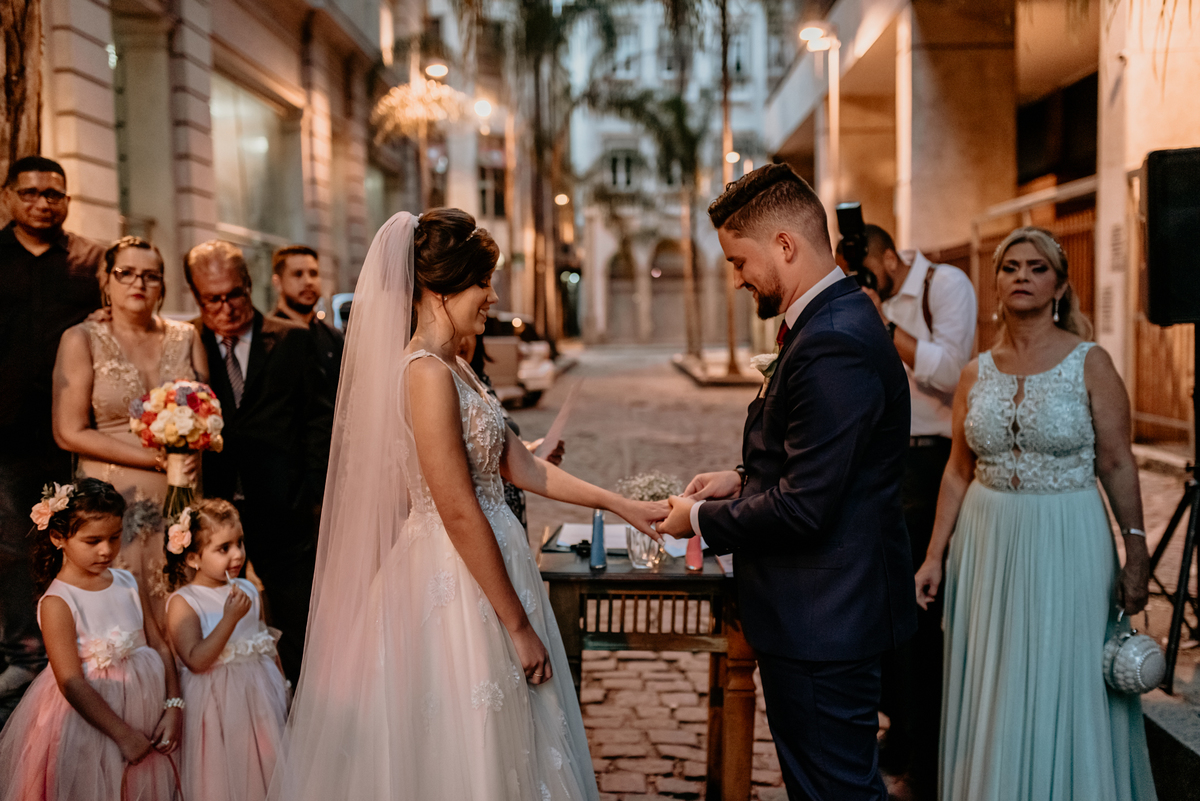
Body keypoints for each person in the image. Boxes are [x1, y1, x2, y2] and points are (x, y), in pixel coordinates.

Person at [268, 209, 666, 801]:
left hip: (495, 558)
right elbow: (455, 507)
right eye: (483, 282)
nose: (492, 295)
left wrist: (623, 506)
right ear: (439, 288)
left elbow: (522, 468)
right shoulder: (425, 373)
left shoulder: (456, 366)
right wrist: (519, 625)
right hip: (456, 578)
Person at [657, 164, 917, 801]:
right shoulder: (830, 320)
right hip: (823, 612)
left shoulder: (832, 340)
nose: (737, 277)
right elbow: (822, 462)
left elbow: (805, 508)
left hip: (825, 617)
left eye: (739, 259)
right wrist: (739, 478)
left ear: (784, 245)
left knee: (836, 790)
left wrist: (694, 521)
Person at [913, 227, 1156, 801]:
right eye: (1011, 267)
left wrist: (1137, 551)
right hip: (985, 540)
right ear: (996, 283)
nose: (1022, 276)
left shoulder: (1091, 364)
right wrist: (933, 556)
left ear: (1060, 286)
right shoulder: (976, 371)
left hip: (1068, 537)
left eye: (1037, 268)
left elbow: (1118, 464)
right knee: (995, 679)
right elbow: (957, 470)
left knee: (1062, 674)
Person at [853, 224, 976, 798]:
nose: (861, 277)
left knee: (920, 614)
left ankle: (926, 754)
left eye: (865, 266)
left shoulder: (944, 286)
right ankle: (899, 731)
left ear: (888, 257)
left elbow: (952, 373)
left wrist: (883, 323)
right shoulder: (870, 299)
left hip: (930, 464)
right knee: (882, 608)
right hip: (881, 462)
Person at [186, 240, 334, 683]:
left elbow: (318, 421)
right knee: (217, 614)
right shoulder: (188, 340)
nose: (226, 307)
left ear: (249, 286)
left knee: (298, 617)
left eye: (234, 294)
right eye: (212, 299)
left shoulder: (293, 340)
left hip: (282, 502)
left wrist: (309, 492)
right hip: (214, 502)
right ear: (196, 296)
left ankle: (308, 703)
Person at [52, 236, 208, 633]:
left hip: (182, 494)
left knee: (185, 602)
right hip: (115, 501)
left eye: (151, 275)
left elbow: (206, 412)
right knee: (128, 617)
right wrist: (155, 460)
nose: (138, 283)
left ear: (163, 285)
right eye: (126, 273)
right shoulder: (82, 338)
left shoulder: (186, 336)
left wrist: (195, 450)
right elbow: (68, 432)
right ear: (106, 280)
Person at [0, 478, 183, 800]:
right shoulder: (59, 601)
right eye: (92, 540)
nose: (106, 550)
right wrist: (123, 735)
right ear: (58, 537)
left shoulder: (127, 581)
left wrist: (173, 705)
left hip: (150, 715)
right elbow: (71, 681)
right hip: (96, 725)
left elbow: (159, 644)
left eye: (114, 538)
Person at [0, 156, 104, 719]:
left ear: (67, 200)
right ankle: (26, 658)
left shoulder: (91, 261)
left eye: (55, 194)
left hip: (81, 437)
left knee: (86, 541)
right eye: (32, 192)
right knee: (14, 550)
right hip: (9, 436)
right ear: (9, 196)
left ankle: (91, 646)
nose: (44, 202)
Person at [164, 499, 288, 801]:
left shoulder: (247, 589)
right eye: (224, 548)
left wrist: (284, 686)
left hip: (260, 697)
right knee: (223, 776)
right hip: (215, 705)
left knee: (267, 768)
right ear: (193, 557)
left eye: (240, 543)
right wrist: (229, 619)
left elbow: (265, 643)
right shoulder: (185, 601)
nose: (237, 554)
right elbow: (195, 660)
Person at [462, 332, 566, 529]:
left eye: (470, 334)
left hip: (510, 509)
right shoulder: (447, 387)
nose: (463, 342)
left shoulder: (480, 381)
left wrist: (529, 449)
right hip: (486, 520)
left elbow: (494, 441)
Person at [270, 244, 344, 385]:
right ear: (277, 282)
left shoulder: (333, 338)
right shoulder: (265, 337)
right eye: (298, 274)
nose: (308, 281)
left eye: (313, 274)